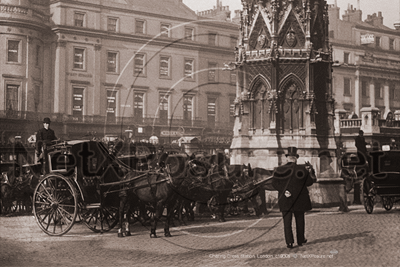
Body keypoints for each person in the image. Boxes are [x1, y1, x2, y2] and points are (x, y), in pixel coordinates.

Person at [272, 147, 314, 249]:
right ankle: (300, 240)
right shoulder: (302, 169)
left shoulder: (279, 169)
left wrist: (284, 191)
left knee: (287, 222)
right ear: (296, 158)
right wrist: (310, 172)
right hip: (300, 199)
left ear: (287, 158)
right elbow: (309, 182)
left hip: (285, 199)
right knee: (300, 220)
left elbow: (274, 183)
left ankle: (289, 242)